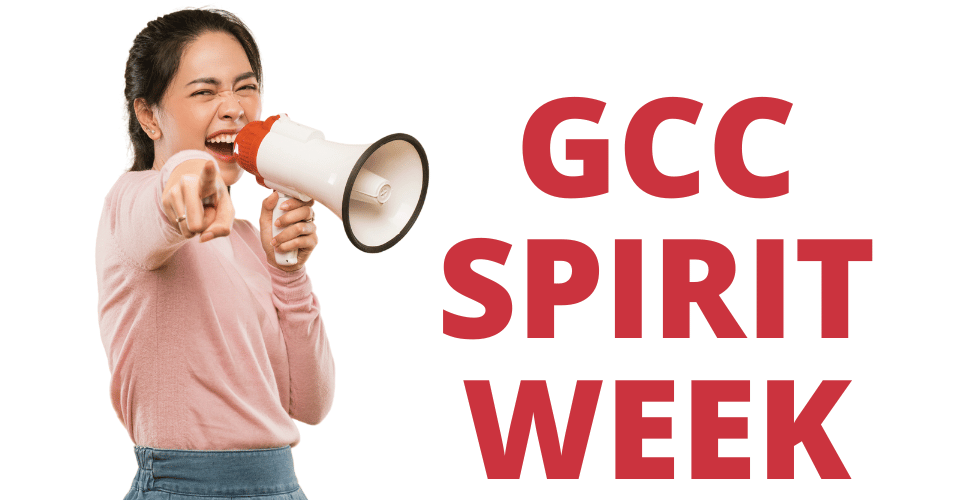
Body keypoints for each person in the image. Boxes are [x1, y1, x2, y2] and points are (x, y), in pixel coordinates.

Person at [96, 9, 333, 499]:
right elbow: (165, 196)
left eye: (245, 87)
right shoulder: (130, 203)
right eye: (204, 92)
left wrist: (287, 274)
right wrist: (185, 169)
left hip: (282, 486)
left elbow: (310, 404)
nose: (233, 108)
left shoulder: (249, 239)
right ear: (148, 116)